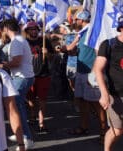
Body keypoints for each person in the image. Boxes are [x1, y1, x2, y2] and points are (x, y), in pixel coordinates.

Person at [63, 10, 107, 141]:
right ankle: (84, 126)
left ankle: (104, 131)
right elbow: (73, 49)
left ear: (82, 20)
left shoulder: (92, 32)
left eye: (76, 20)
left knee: (96, 104)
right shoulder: (82, 33)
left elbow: (98, 53)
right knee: (82, 101)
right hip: (81, 71)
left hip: (90, 73)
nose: (74, 22)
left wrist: (94, 73)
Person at [0, 19, 35, 149]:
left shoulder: (17, 42)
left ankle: (26, 137)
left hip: (22, 77)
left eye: (4, 29)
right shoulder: (19, 40)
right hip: (22, 76)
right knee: (16, 107)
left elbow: (17, 62)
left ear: (7, 29)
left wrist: (2, 65)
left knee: (16, 108)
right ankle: (20, 133)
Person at [95, 17, 123, 151]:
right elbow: (98, 69)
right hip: (115, 94)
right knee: (117, 130)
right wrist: (104, 94)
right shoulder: (109, 44)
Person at [23, 21, 54, 133]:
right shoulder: (24, 42)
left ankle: (41, 122)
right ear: (27, 31)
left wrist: (47, 53)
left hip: (43, 74)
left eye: (35, 29)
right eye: (31, 29)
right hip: (29, 74)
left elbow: (52, 57)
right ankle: (32, 115)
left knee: (42, 100)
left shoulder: (44, 41)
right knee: (31, 98)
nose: (34, 31)